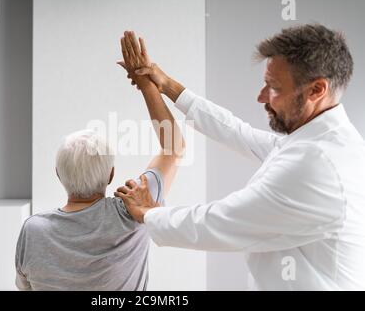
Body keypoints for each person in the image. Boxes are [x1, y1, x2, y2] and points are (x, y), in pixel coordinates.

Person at [115, 25, 365, 290]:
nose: (261, 97)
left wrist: (149, 213)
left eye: (274, 88)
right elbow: (238, 132)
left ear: (316, 90)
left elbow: (218, 222)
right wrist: (168, 86)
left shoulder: (317, 165)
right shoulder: (320, 141)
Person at [14, 34, 185, 290]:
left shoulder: (33, 230)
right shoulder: (132, 210)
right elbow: (174, 147)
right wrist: (147, 85)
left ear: (58, 175)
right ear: (110, 175)